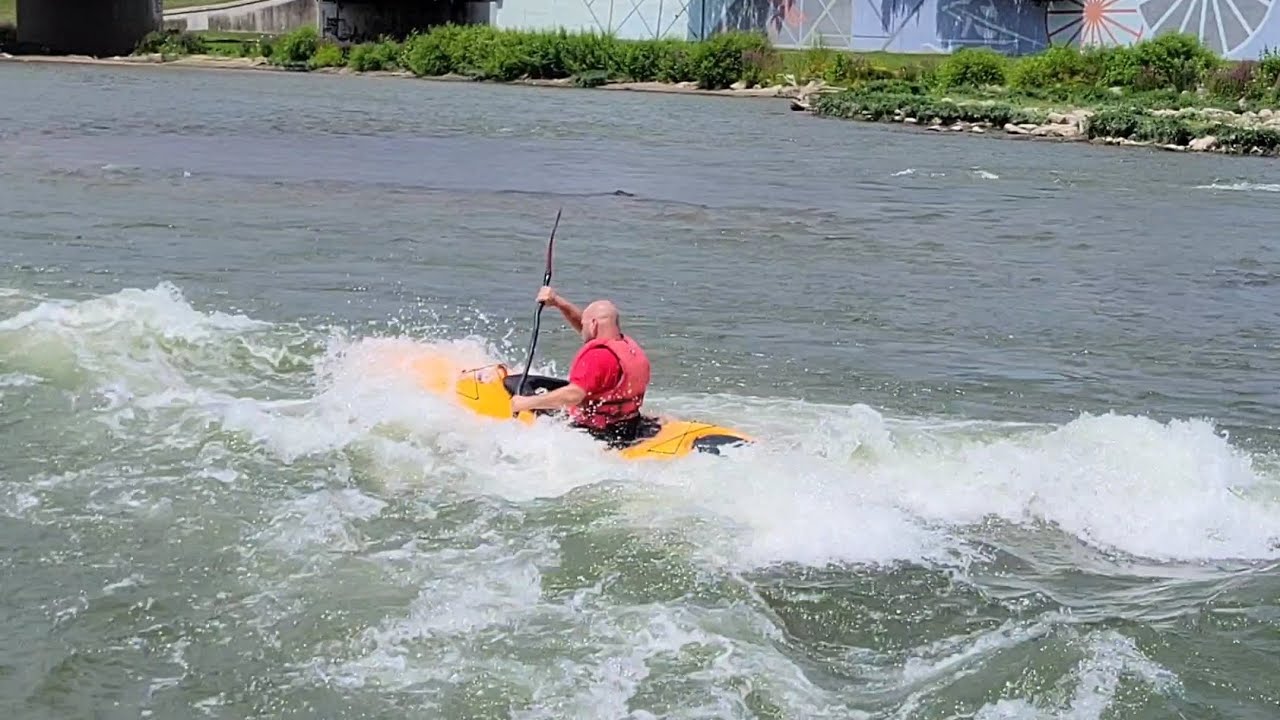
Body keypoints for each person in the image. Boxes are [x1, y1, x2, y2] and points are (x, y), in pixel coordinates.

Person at [509, 286, 652, 446]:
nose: (581, 328)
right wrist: (558, 302)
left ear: (593, 325)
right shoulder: (627, 347)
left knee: (512, 384)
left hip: (596, 431)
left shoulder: (596, 357)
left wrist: (525, 403)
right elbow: (589, 330)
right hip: (627, 424)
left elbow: (574, 395)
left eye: (584, 324)